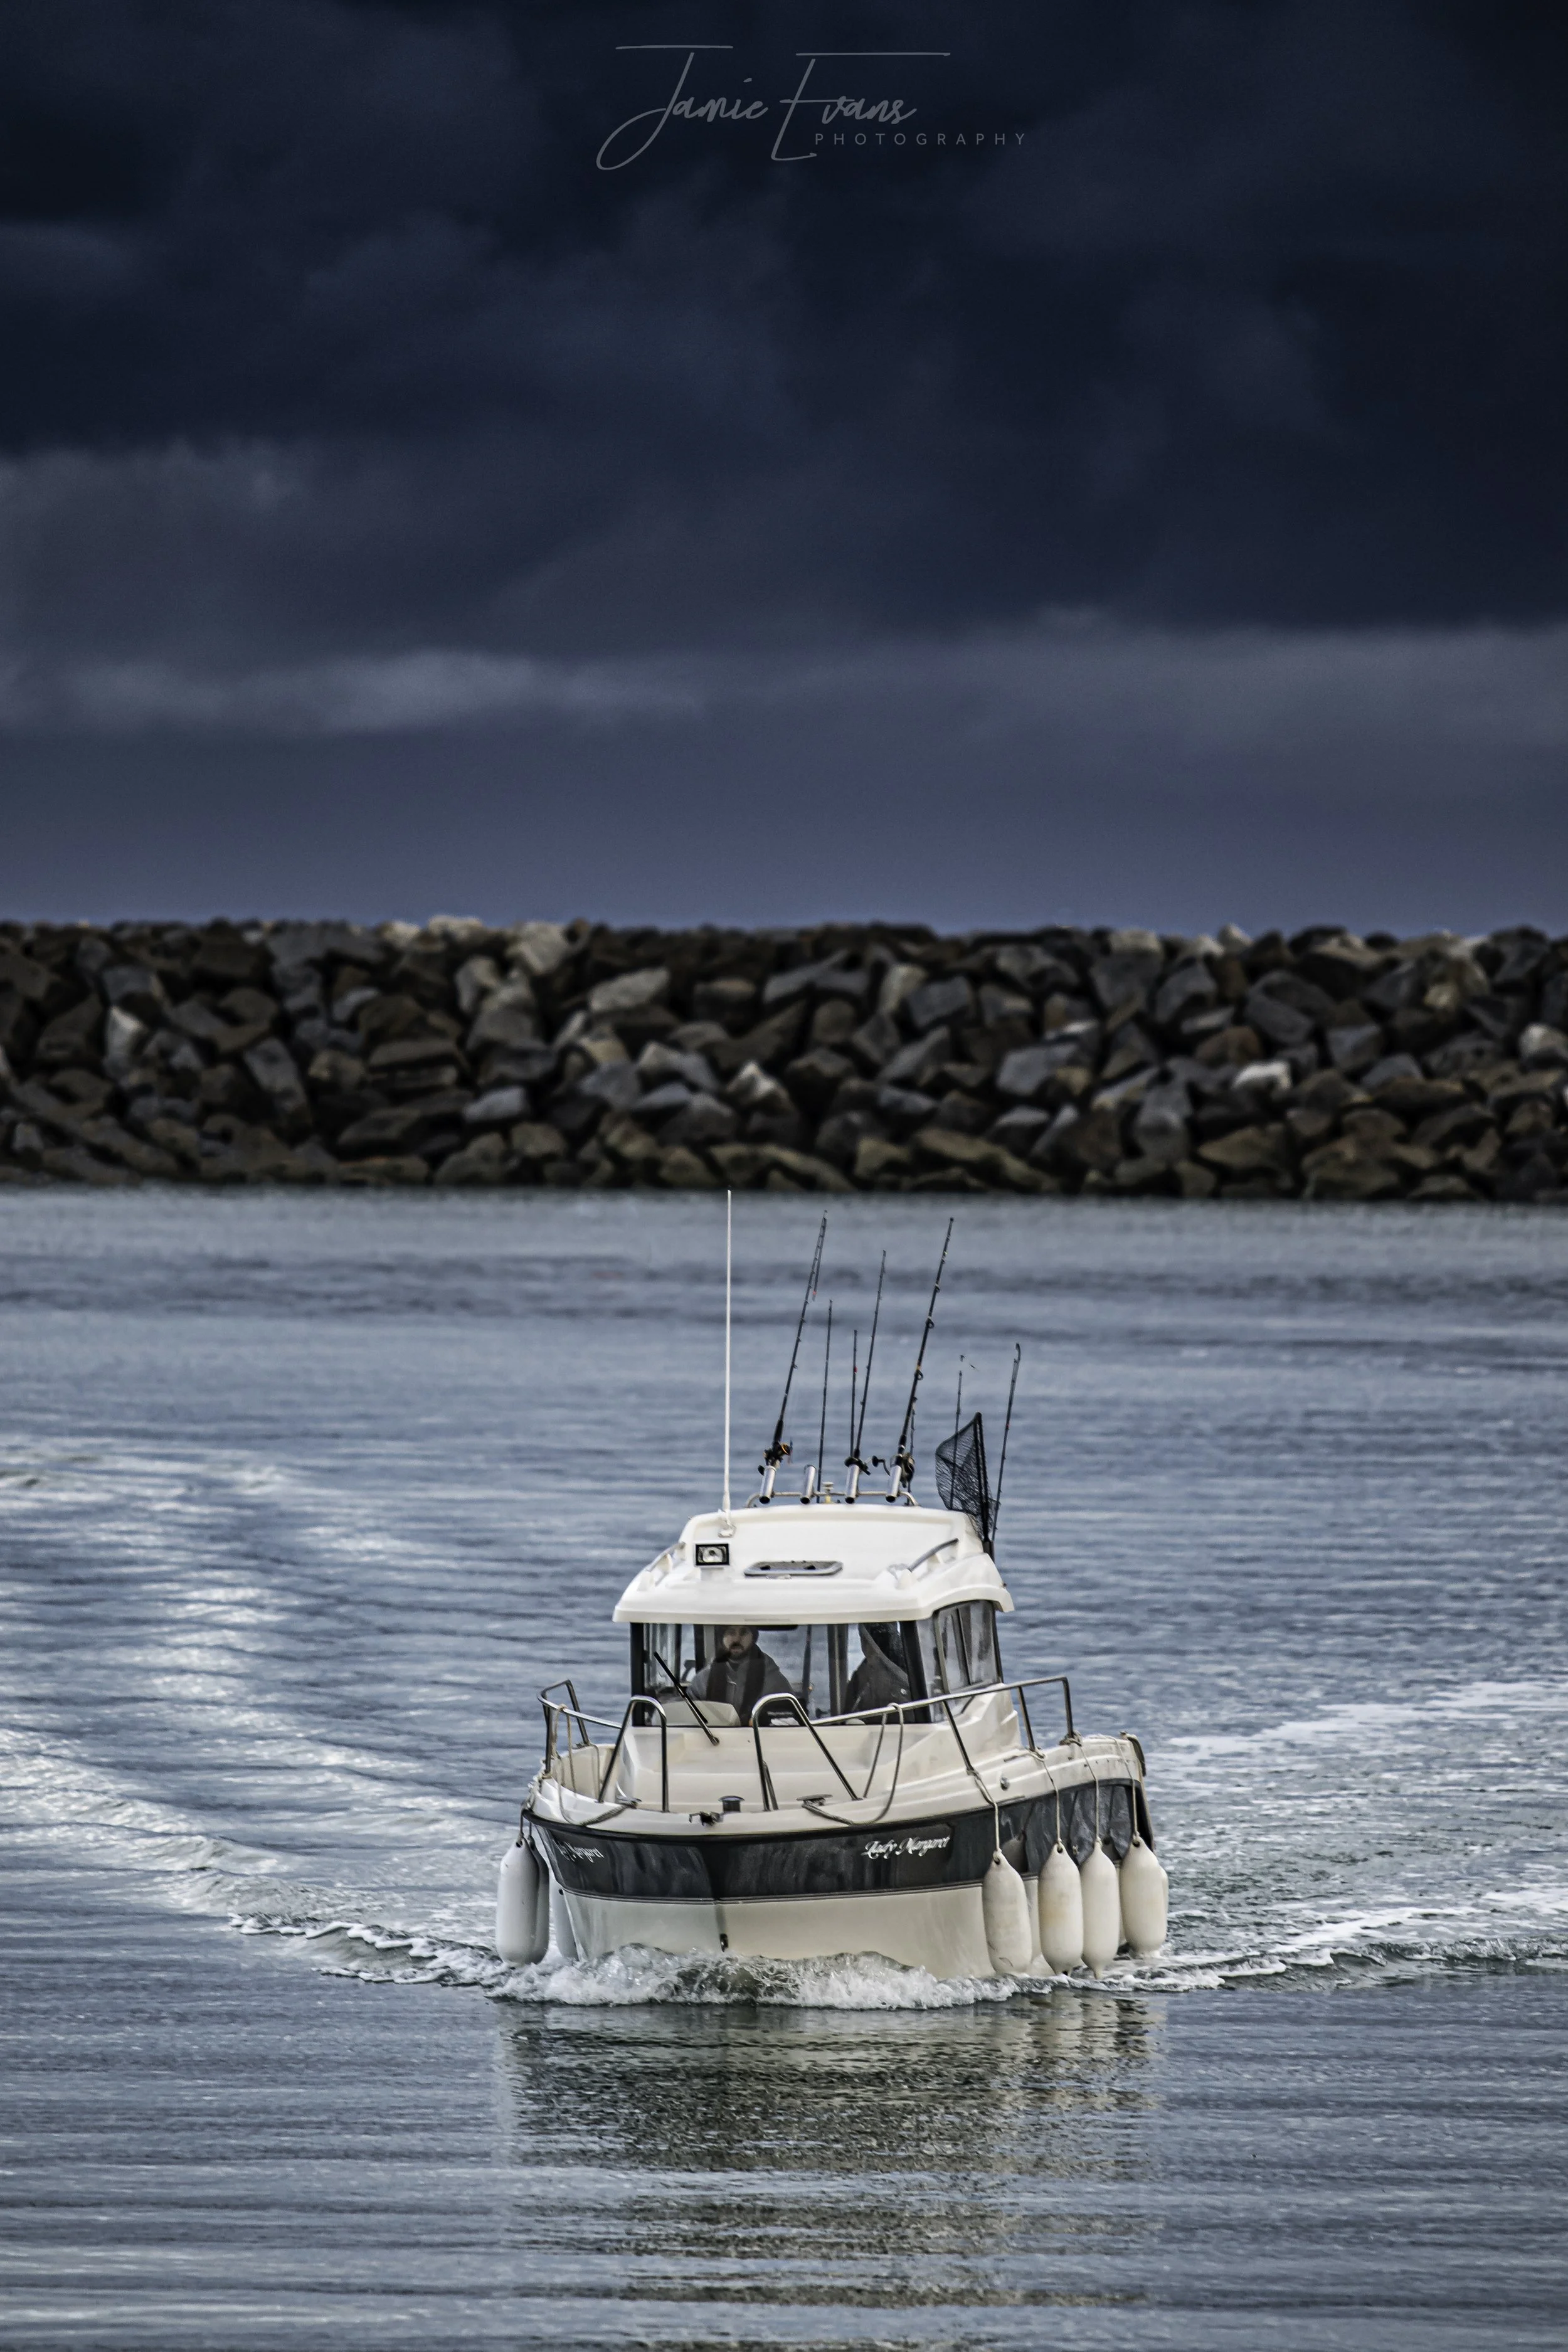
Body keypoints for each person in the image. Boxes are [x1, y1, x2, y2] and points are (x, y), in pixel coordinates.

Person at [689, 1626, 791, 1726]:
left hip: (759, 1741)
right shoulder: (703, 1679)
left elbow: (790, 1720)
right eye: (731, 1633)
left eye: (744, 1633)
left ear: (754, 1637)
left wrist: (763, 1721)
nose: (737, 1639)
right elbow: (688, 1716)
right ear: (722, 1637)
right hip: (713, 1740)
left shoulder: (773, 1680)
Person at [845, 1623, 911, 1717]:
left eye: (867, 1641)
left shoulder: (909, 1670)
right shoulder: (860, 1676)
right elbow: (845, 1713)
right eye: (864, 1640)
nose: (867, 1647)